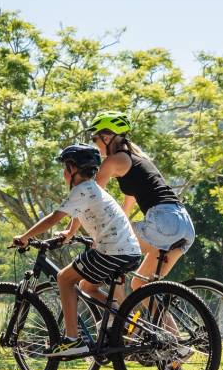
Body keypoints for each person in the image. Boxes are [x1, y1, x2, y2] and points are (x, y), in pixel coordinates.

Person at [12, 144, 141, 357]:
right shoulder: (92, 189)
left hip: (111, 251)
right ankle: (119, 318)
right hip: (127, 251)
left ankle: (72, 339)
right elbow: (77, 213)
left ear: (72, 169)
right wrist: (70, 233)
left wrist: (25, 237)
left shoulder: (82, 189)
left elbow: (54, 217)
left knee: (64, 279)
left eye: (65, 168)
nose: (63, 173)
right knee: (87, 286)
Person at [84, 111, 196, 292]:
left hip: (164, 221)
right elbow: (126, 208)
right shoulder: (138, 162)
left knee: (110, 257)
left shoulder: (113, 161)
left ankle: (117, 317)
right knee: (140, 285)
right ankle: (154, 321)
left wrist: (82, 232)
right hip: (184, 225)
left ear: (106, 138)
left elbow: (87, 197)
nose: (95, 144)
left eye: (94, 138)